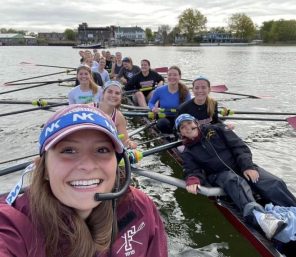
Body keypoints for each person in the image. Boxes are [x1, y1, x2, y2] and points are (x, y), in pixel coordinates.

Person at [0, 104, 168, 257]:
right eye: (69, 150)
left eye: (102, 149)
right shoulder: (13, 224)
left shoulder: (140, 207)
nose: (87, 166)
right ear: (44, 169)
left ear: (116, 163)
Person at [175, 113, 296, 239]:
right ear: (181, 133)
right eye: (182, 127)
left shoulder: (217, 129)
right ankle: (261, 218)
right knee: (235, 181)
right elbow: (192, 170)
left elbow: (239, 146)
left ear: (196, 123)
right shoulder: (188, 152)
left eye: (189, 123)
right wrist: (192, 180)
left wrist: (247, 166)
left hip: (240, 166)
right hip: (219, 175)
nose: (187, 127)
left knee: (274, 183)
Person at [148, 66, 191, 134]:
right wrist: (153, 108)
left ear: (179, 76)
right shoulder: (159, 90)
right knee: (162, 123)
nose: (172, 77)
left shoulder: (185, 91)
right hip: (164, 116)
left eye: (175, 75)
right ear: (167, 76)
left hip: (179, 117)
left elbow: (189, 106)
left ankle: (177, 132)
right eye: (170, 75)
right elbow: (150, 103)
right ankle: (173, 134)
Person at [99, 81, 137, 149]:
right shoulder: (89, 108)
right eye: (110, 92)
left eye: (117, 93)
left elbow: (125, 141)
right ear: (103, 94)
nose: (113, 95)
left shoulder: (119, 117)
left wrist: (130, 144)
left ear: (120, 98)